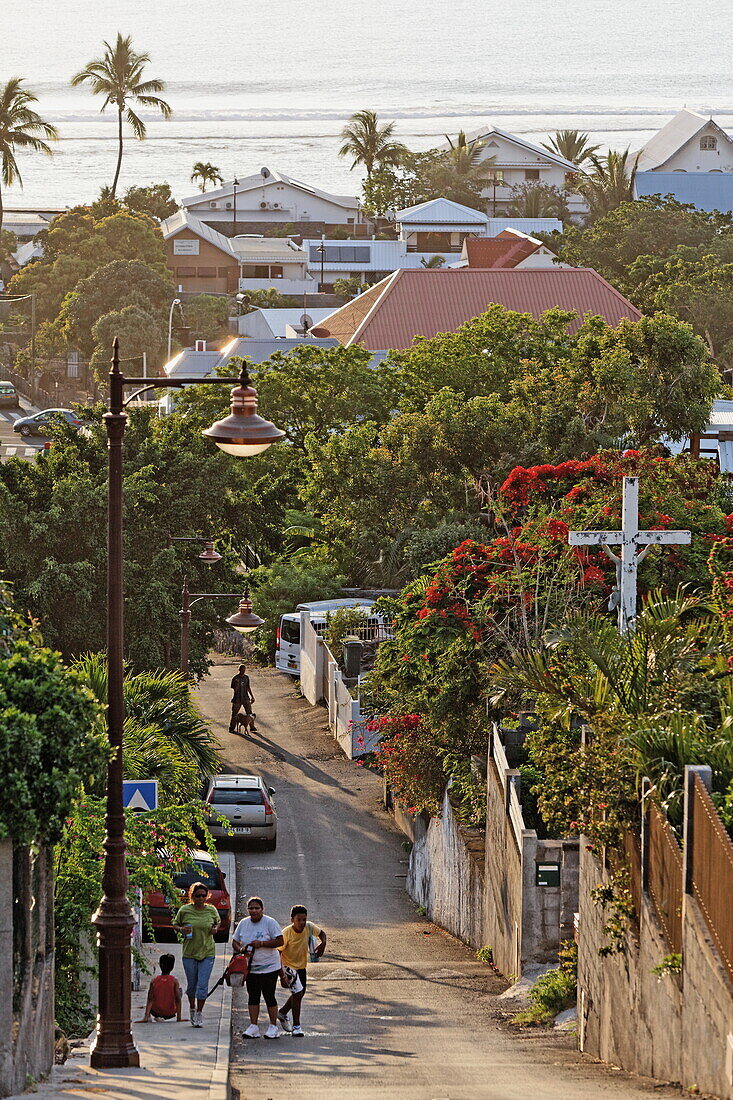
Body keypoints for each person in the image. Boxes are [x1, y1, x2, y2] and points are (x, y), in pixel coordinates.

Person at [232, 896, 284, 1039]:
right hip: (251, 968)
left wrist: (261, 944)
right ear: (247, 909)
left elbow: (280, 941)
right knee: (253, 996)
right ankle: (253, 1026)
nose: (253, 911)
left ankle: (273, 1026)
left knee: (269, 996)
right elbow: (235, 941)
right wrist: (241, 949)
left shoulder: (270, 922)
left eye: (256, 908)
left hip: (269, 967)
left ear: (262, 909)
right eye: (251, 908)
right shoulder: (243, 923)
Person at [172, 881, 222, 1027]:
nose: (201, 899)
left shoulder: (211, 910)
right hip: (189, 952)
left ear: (207, 896)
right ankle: (192, 1008)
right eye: (198, 896)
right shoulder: (185, 910)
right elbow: (175, 924)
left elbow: (217, 922)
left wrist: (215, 928)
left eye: (203, 896)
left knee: (203, 985)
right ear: (192, 896)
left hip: (207, 951)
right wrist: (181, 930)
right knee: (192, 985)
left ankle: (199, 1012)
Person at [277, 905, 326, 1037]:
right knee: (297, 994)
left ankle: (282, 1012)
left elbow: (322, 934)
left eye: (304, 919)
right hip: (288, 966)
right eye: (299, 920)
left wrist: (323, 944)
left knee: (300, 993)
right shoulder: (286, 933)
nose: (302, 923)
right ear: (292, 920)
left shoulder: (309, 927)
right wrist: (281, 975)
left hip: (301, 967)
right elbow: (278, 952)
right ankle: (297, 1027)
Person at [138, 953, 182, 1023]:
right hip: (170, 1013)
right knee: (179, 991)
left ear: (160, 965)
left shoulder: (154, 980)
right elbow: (178, 999)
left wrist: (146, 1017)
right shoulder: (174, 981)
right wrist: (179, 1018)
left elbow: (150, 999)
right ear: (172, 967)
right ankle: (174, 1016)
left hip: (155, 1012)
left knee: (151, 994)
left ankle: (148, 1016)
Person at [229, 663, 257, 734]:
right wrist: (237, 684)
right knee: (235, 714)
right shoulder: (235, 678)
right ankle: (232, 728)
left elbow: (248, 688)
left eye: (244, 670)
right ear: (239, 670)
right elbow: (234, 689)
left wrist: (252, 697)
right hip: (237, 699)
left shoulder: (246, 678)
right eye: (242, 670)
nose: (243, 671)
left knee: (249, 713)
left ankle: (252, 727)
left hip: (245, 697)